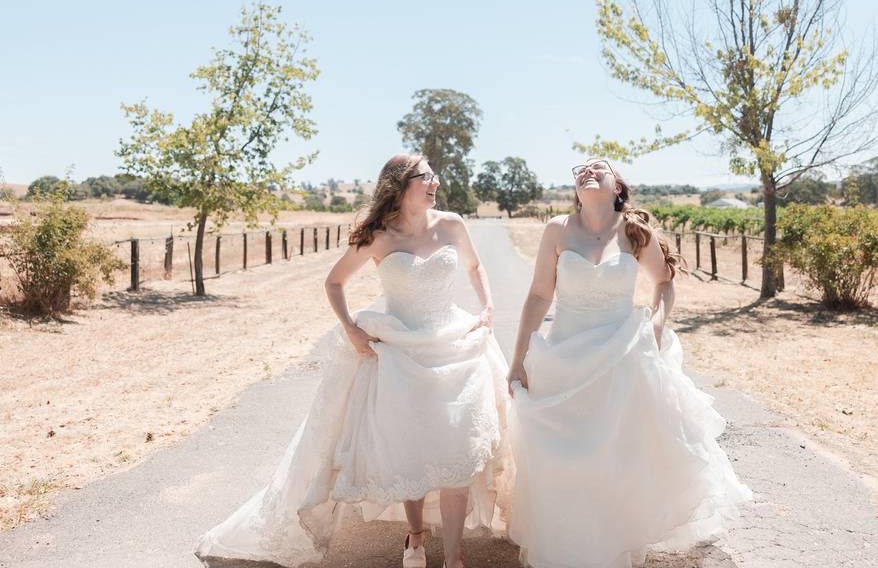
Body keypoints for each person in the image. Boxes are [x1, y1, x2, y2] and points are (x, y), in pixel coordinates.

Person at [195, 154, 513, 568]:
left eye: (435, 176)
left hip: (453, 344)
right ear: (400, 185)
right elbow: (335, 282)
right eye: (426, 177)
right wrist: (351, 329)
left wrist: (487, 308)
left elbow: (475, 266)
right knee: (412, 448)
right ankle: (415, 538)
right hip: (399, 350)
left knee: (457, 450)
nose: (435, 183)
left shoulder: (452, 224)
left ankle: (454, 558)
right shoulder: (378, 235)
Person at [506, 158, 753, 568]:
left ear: (617, 187)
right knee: (564, 458)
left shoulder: (634, 232)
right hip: (566, 356)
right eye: (579, 169)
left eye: (598, 167)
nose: (587, 171)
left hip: (621, 357)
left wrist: (655, 325)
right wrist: (518, 360)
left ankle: (610, 546)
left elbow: (664, 283)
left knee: (614, 458)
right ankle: (567, 546)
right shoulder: (557, 229)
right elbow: (537, 296)